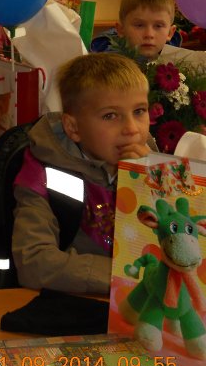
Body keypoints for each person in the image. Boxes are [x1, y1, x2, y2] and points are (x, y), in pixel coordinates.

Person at [12, 53, 157, 294]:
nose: (132, 129)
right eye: (110, 116)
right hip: (71, 303)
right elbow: (34, 263)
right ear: (73, 127)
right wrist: (125, 276)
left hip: (141, 304)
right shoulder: (43, 174)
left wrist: (144, 185)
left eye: (139, 111)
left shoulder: (153, 167)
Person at [92, 0, 198, 63]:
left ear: (170, 33)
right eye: (139, 25)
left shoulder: (178, 66)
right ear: (121, 30)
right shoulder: (106, 67)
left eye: (158, 26)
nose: (149, 34)